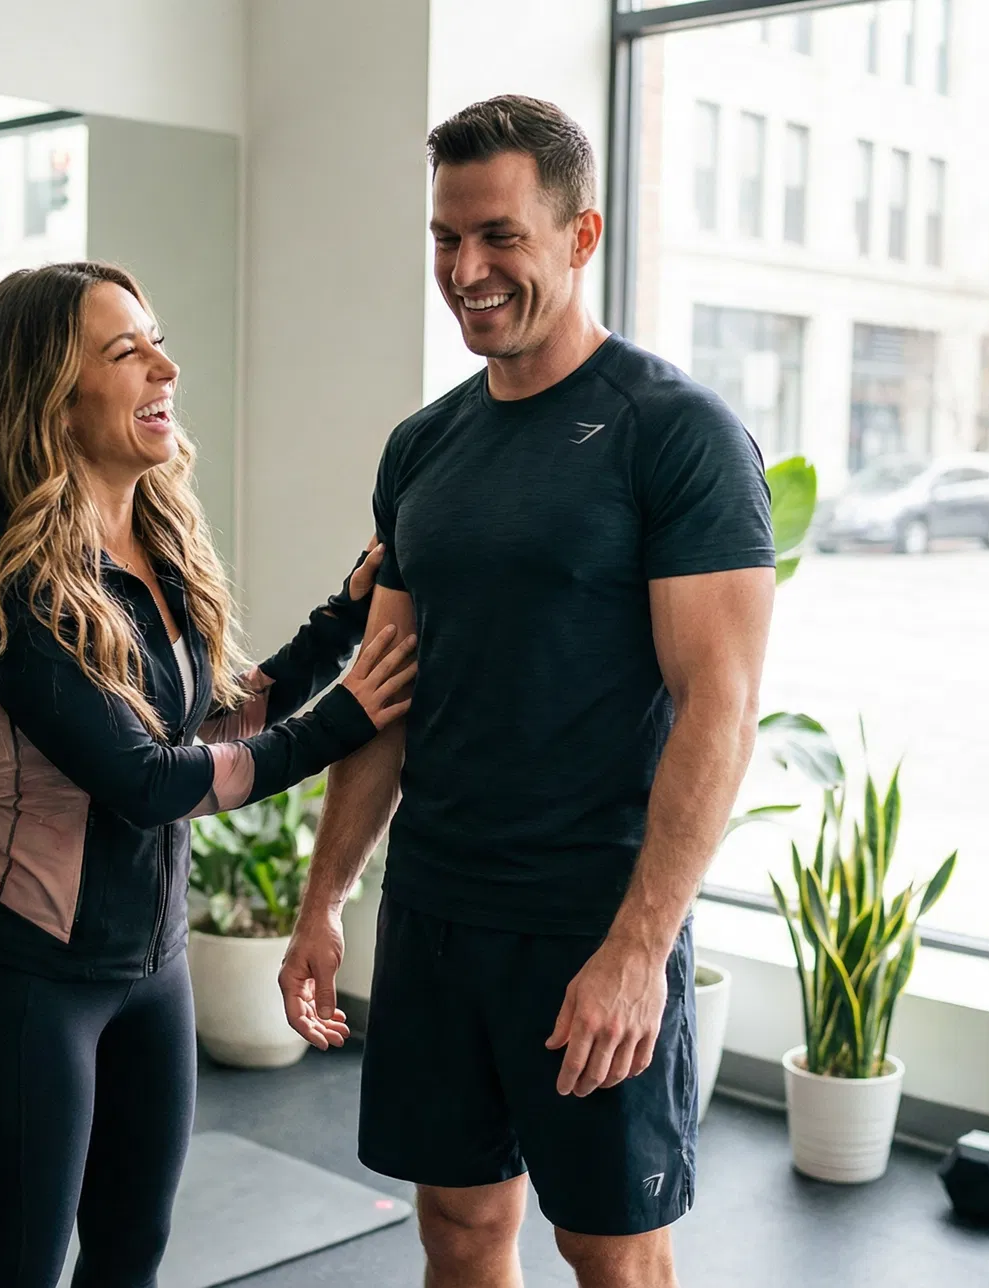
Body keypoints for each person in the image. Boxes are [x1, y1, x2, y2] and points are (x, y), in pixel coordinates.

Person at [279, 96, 776, 1288]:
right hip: (440, 911)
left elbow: (721, 707)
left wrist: (638, 949)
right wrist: (327, 896)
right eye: (447, 239)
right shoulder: (424, 449)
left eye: (499, 236)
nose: (467, 270)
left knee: (609, 1246)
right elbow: (382, 691)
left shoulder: (677, 435)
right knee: (456, 1226)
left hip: (586, 919)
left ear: (580, 234)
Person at [0, 260, 417, 1288]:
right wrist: (345, 721)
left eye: (158, 341)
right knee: (13, 1271)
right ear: (50, 394)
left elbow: (209, 719)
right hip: (27, 981)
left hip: (151, 970)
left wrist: (343, 620)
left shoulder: (155, 545)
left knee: (132, 1254)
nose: (165, 368)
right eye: (126, 351)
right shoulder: (1, 584)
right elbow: (145, 780)